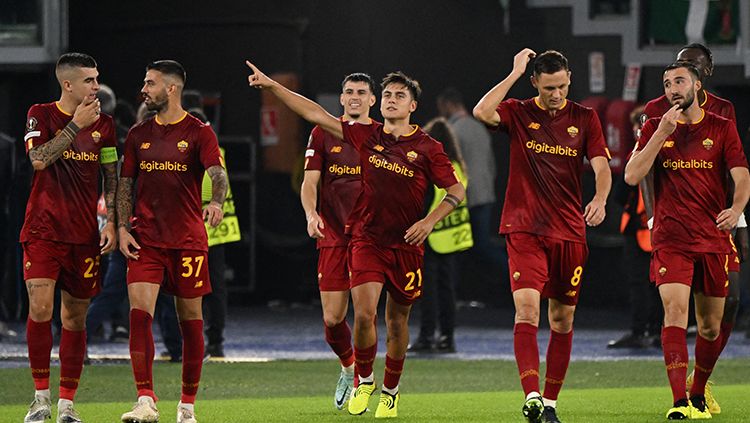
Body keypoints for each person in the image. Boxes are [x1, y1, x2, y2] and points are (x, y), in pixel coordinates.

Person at [246, 62, 465, 418]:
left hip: (406, 245)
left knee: (397, 322)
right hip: (363, 239)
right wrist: (272, 87)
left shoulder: (427, 147)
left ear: (412, 106)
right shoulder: (364, 137)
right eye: (389, 95)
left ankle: (390, 392)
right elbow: (314, 113)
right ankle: (363, 378)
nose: (392, 100)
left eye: (400, 96)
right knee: (361, 315)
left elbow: (455, 191)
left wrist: (428, 221)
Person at [473, 49, 612, 423]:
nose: (557, 94)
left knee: (562, 320)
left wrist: (600, 199)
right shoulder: (519, 112)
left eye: (563, 86)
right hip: (524, 228)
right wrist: (514, 70)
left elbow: (602, 166)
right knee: (528, 310)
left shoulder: (584, 118)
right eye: (550, 87)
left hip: (568, 231)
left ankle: (550, 403)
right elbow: (482, 112)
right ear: (535, 82)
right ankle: (531, 395)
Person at [624, 61, 749, 419]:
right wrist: (660, 134)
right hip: (671, 237)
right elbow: (632, 175)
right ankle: (679, 401)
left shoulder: (722, 127)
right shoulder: (653, 126)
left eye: (679, 81)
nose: (672, 89)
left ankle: (697, 392)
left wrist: (736, 208)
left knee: (710, 325)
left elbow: (741, 176)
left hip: (712, 237)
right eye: (667, 83)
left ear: (697, 85)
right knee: (674, 313)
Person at [117, 60, 227, 423]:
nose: (144, 89)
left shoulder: (199, 132)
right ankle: (145, 400)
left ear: (172, 88)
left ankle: (187, 406)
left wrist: (214, 201)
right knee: (139, 316)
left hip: (187, 240)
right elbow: (125, 187)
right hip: (146, 238)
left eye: (150, 83)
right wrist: (121, 227)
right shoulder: (137, 134)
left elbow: (217, 173)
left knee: (190, 319)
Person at [21, 52, 118, 423]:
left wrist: (112, 221)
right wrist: (75, 126)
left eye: (97, 79)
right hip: (43, 230)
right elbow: (40, 159)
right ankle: (40, 399)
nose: (96, 86)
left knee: (75, 317)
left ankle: (66, 405)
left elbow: (112, 175)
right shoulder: (40, 113)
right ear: (68, 84)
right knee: (41, 309)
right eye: (90, 80)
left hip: (83, 234)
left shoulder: (105, 125)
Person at [300, 73, 376, 409]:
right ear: (341, 99)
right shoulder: (323, 132)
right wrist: (310, 213)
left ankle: (373, 382)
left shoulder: (381, 135)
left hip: (369, 237)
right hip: (332, 233)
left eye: (362, 92)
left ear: (372, 99)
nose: (355, 97)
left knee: (365, 316)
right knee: (332, 320)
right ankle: (349, 368)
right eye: (349, 92)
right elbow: (309, 182)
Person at [410, 117, 473, 353]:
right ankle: (447, 337)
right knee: (448, 290)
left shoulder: (434, 167)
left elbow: (426, 201)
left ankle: (426, 336)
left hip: (432, 236)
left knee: (428, 290)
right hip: (453, 237)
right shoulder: (459, 167)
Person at [607, 106, 662, 349]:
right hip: (641, 228)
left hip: (653, 229)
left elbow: (622, 192)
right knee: (647, 283)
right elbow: (621, 193)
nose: (636, 130)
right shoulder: (638, 154)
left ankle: (651, 331)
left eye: (640, 125)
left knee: (652, 283)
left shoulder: (651, 155)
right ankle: (649, 331)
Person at [436, 88, 501, 265]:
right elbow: (491, 162)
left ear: (448, 105)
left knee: (477, 247)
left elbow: (452, 168)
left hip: (468, 197)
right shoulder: (479, 126)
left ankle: (511, 274)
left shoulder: (453, 131)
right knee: (482, 244)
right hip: (486, 193)